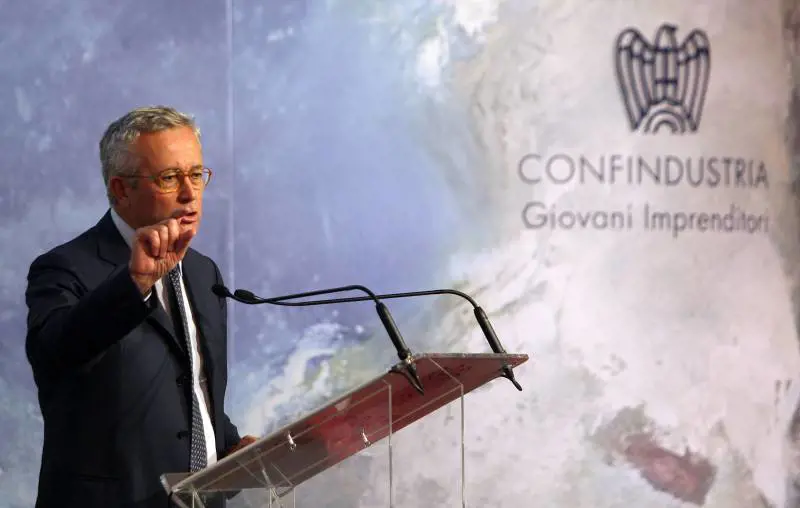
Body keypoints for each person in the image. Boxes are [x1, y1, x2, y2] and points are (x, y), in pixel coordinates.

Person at [24, 106, 256, 508]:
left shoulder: (203, 271)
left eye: (196, 174)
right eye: (169, 178)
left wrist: (230, 448)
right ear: (121, 190)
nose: (190, 193)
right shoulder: (64, 267)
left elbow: (191, 388)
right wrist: (134, 283)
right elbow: (53, 353)